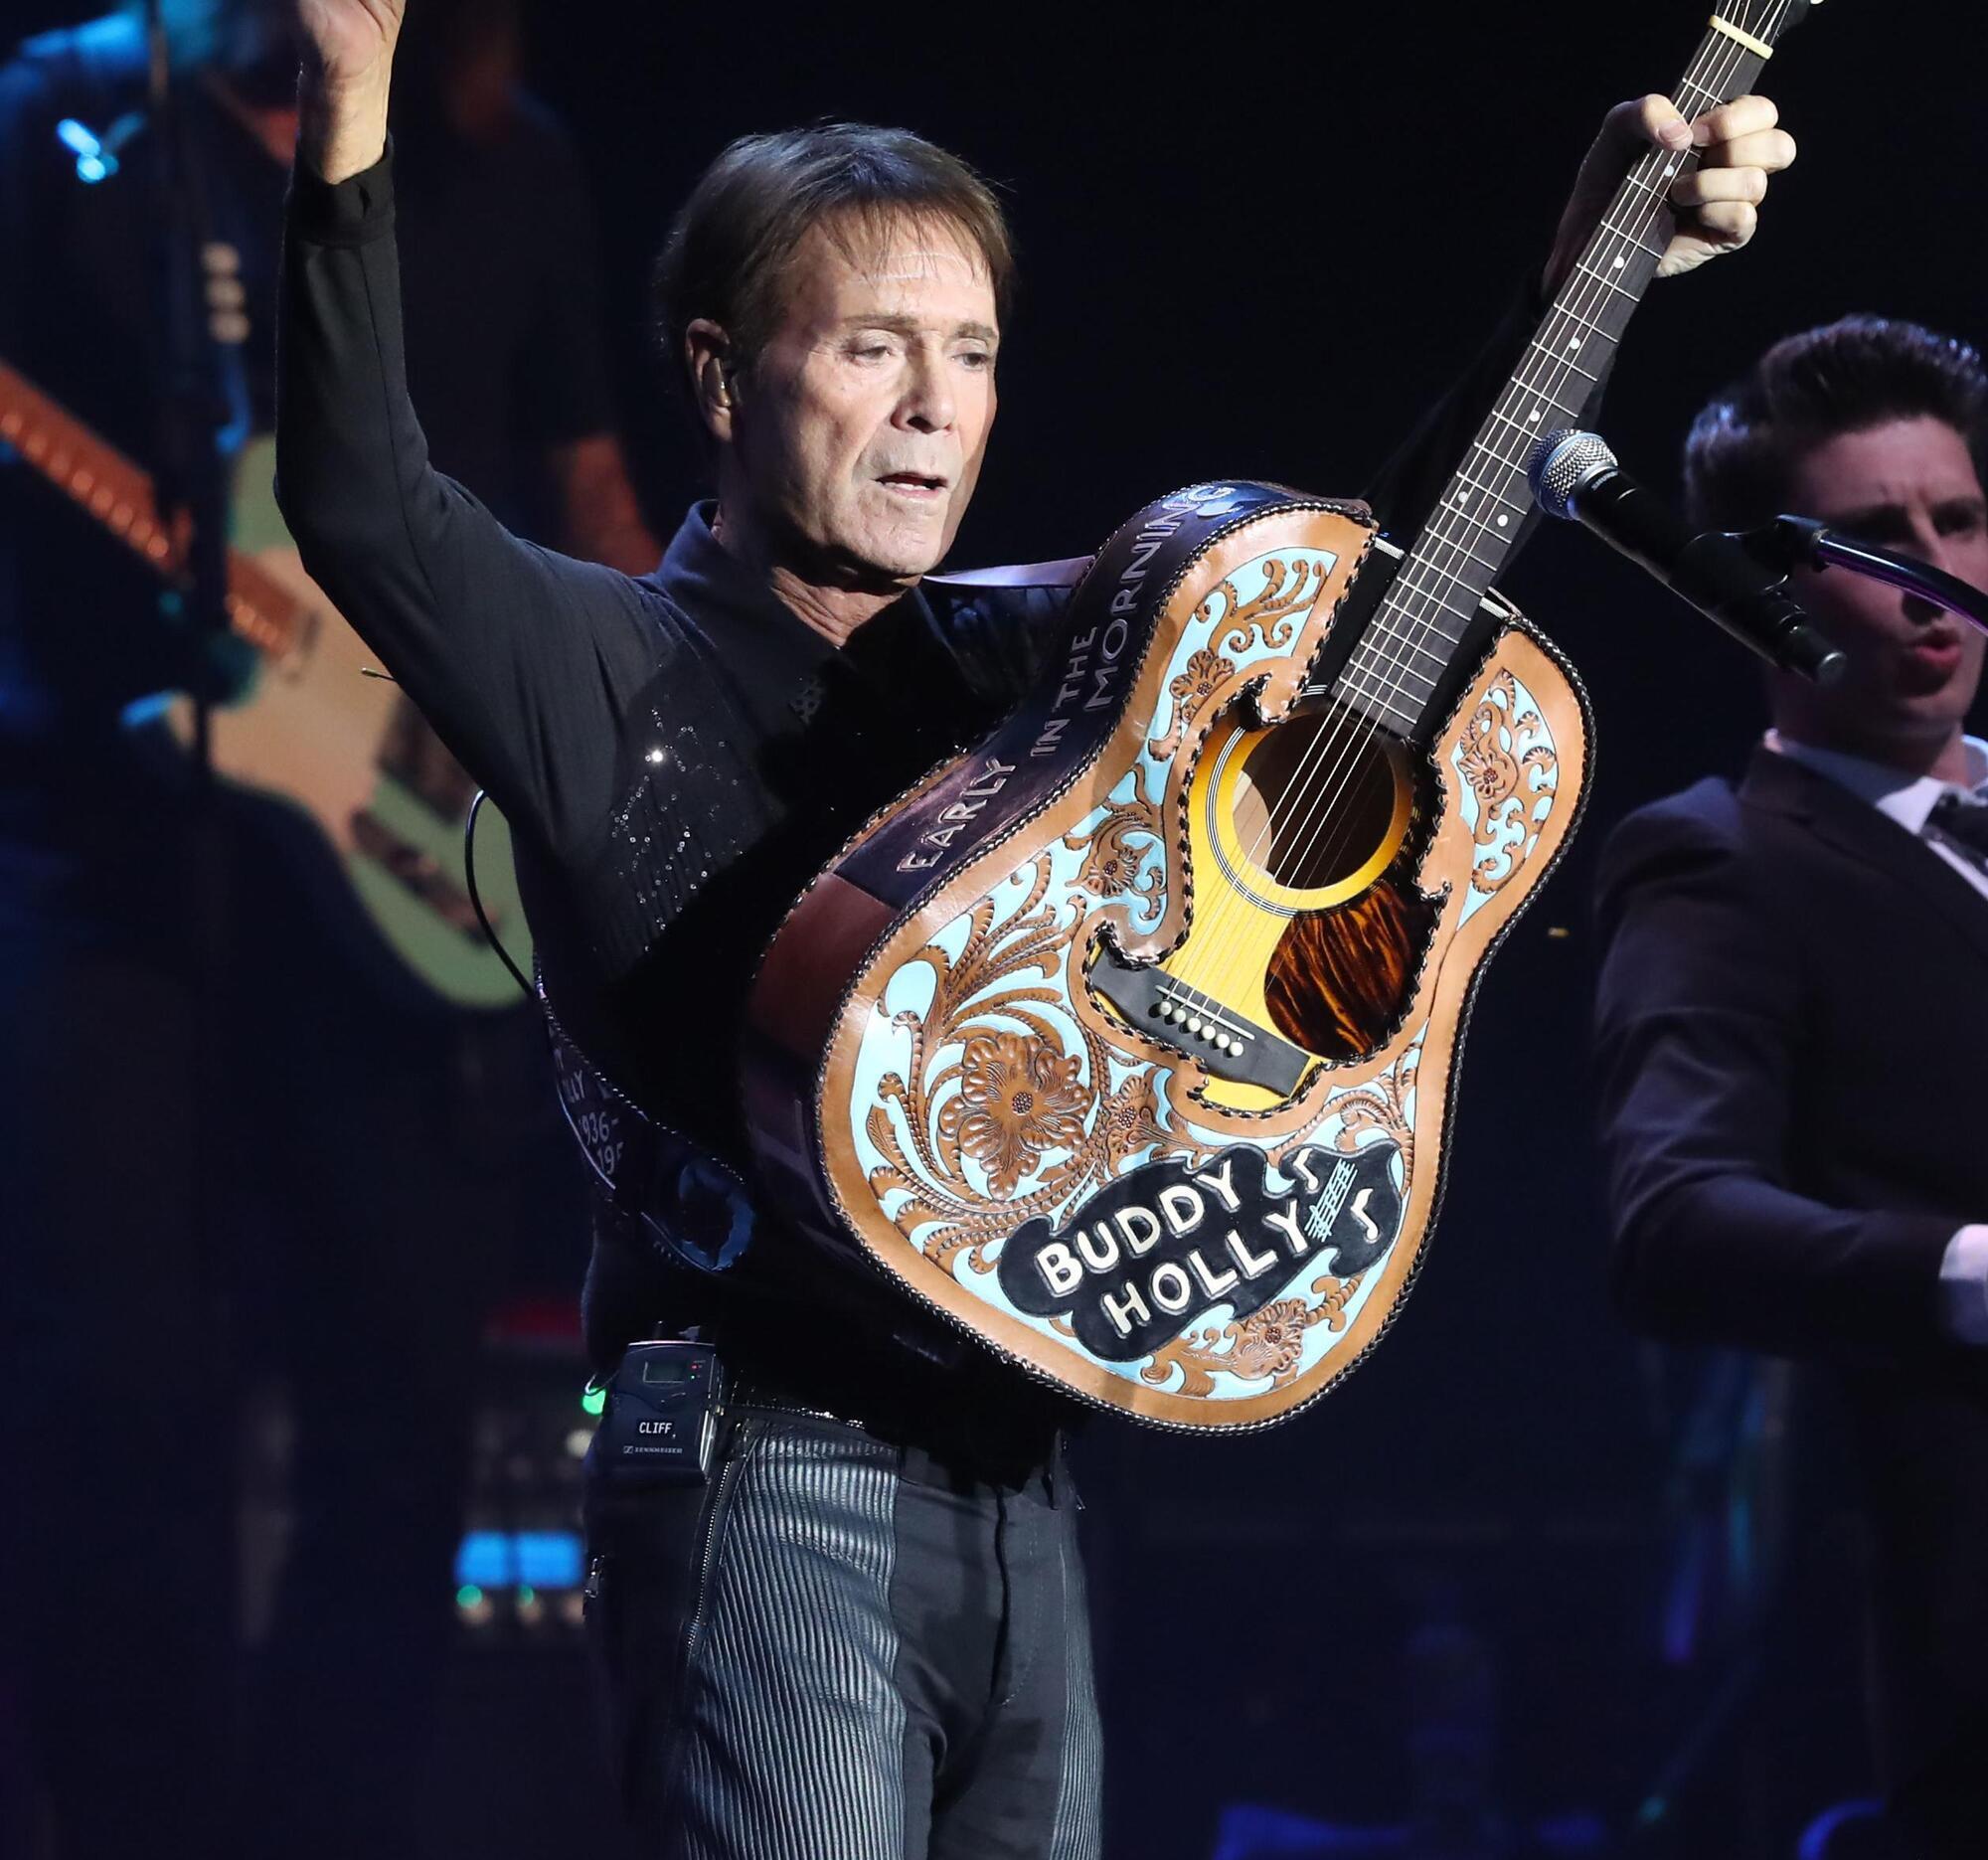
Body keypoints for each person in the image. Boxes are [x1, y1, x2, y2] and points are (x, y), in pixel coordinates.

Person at [278, 1, 1795, 1851]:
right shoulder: (603, 663)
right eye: (874, 348)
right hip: (763, 1466)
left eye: (974, 354)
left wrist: (1586, 283)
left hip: (1030, 1476)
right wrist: (351, 100)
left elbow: (1364, 599)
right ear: (723, 379)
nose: (936, 404)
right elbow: (362, 500)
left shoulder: (1028, 658)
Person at [0, 3, 651, 1855]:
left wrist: (631, 788)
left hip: (412, 865)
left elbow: (588, 486)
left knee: (401, 1412)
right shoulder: (64, 119)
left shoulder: (504, 159)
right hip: (106, 857)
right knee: (108, 1392)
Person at [1591, 315, 1988, 1856]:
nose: (1935, 577)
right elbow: (1674, 1223)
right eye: (1877, 540)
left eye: (1959, 520)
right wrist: (1966, 1272)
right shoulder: (1722, 859)